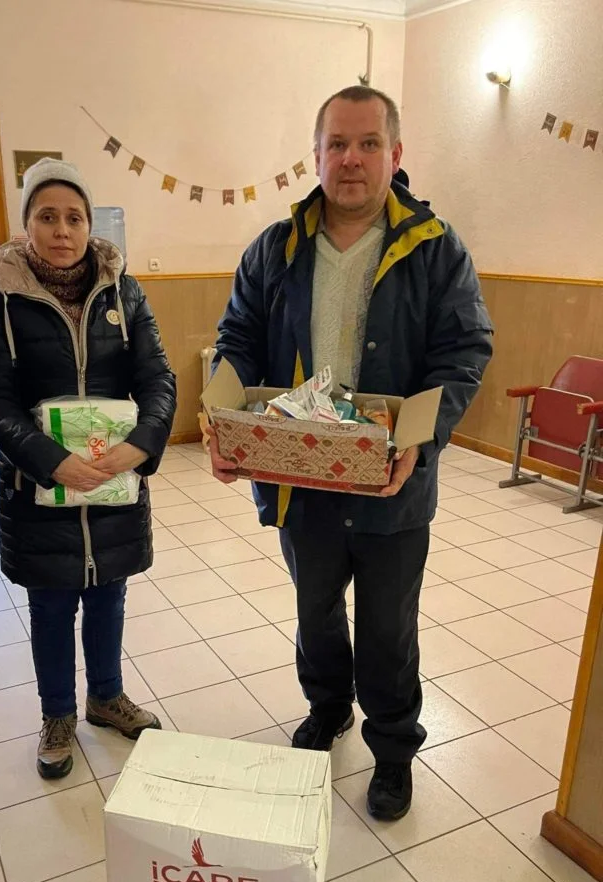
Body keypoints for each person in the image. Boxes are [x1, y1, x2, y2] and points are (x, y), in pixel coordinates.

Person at [208, 86, 493, 821]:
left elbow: (464, 351)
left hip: (390, 483)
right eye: (337, 143)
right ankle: (328, 707)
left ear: (396, 155)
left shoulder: (435, 250)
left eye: (369, 143)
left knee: (388, 628)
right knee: (315, 611)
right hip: (300, 480)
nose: (352, 159)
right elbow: (237, 339)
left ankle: (392, 750)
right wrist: (222, 415)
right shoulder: (275, 249)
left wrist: (422, 434)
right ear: (315, 155)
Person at [0, 158, 176, 779]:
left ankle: (106, 697)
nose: (62, 230)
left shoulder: (123, 290)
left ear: (90, 224)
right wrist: (48, 460)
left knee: (109, 593)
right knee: (53, 604)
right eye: (47, 216)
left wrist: (141, 445)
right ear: (27, 224)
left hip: (115, 479)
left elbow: (157, 376)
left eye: (74, 217)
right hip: (39, 485)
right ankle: (57, 713)